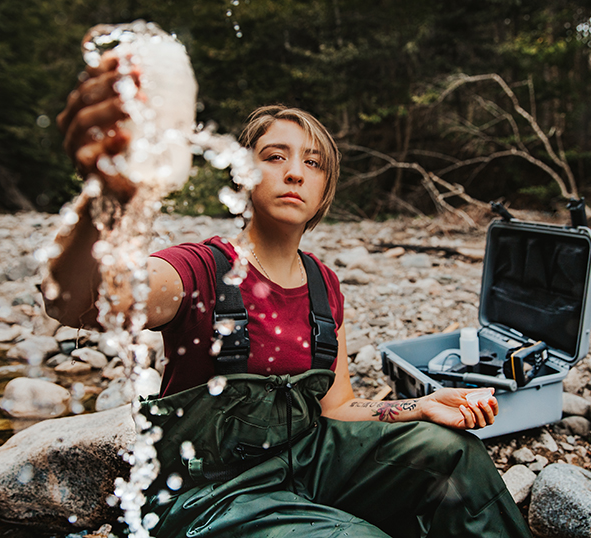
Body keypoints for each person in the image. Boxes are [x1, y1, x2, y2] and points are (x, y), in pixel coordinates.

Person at [47, 50, 532, 538]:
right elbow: (75, 303)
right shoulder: (200, 270)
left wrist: (420, 406)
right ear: (243, 175)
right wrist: (103, 194)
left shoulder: (324, 285)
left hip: (309, 465)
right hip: (214, 496)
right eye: (275, 157)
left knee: (452, 454)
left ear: (325, 190)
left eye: (312, 162)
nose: (295, 172)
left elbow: (338, 408)